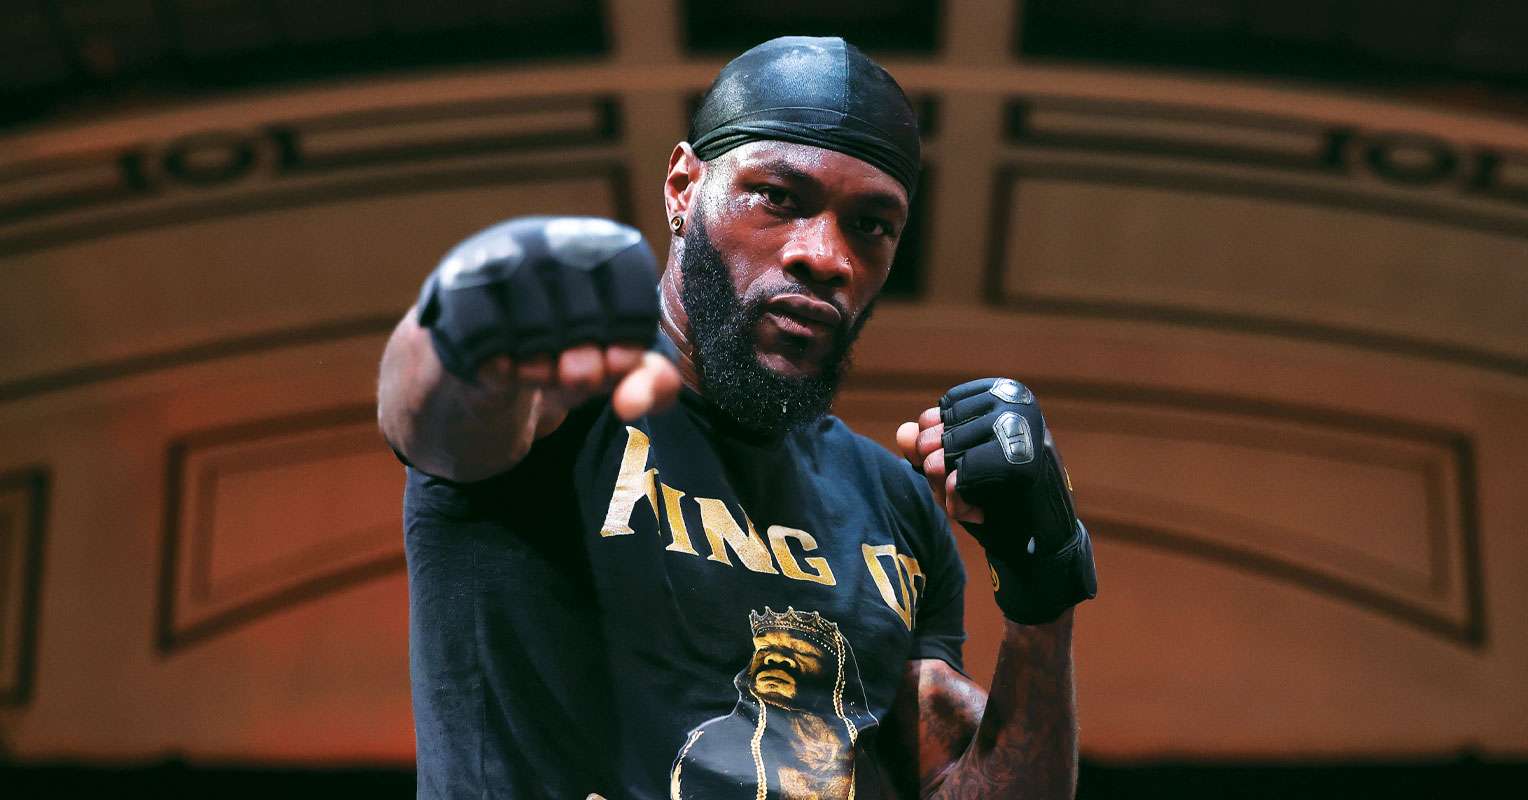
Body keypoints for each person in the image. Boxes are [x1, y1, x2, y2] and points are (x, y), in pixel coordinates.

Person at [377, 35, 1097, 800]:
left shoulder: (895, 504)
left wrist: (1044, 582)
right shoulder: (556, 402)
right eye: (778, 198)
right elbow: (430, 418)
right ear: (683, 188)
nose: (826, 256)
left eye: (870, 225)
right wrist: (467, 324)